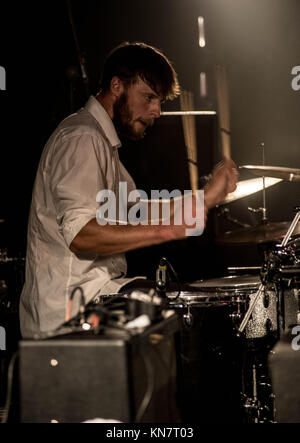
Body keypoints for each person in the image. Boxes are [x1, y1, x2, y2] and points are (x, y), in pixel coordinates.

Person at [20, 42, 238, 338]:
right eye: (148, 97)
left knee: (179, 304)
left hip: (95, 298)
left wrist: (205, 198)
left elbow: (138, 210)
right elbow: (82, 235)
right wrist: (171, 229)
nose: (157, 111)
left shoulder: (100, 140)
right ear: (116, 85)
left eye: (159, 101)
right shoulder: (82, 138)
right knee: (183, 319)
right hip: (68, 315)